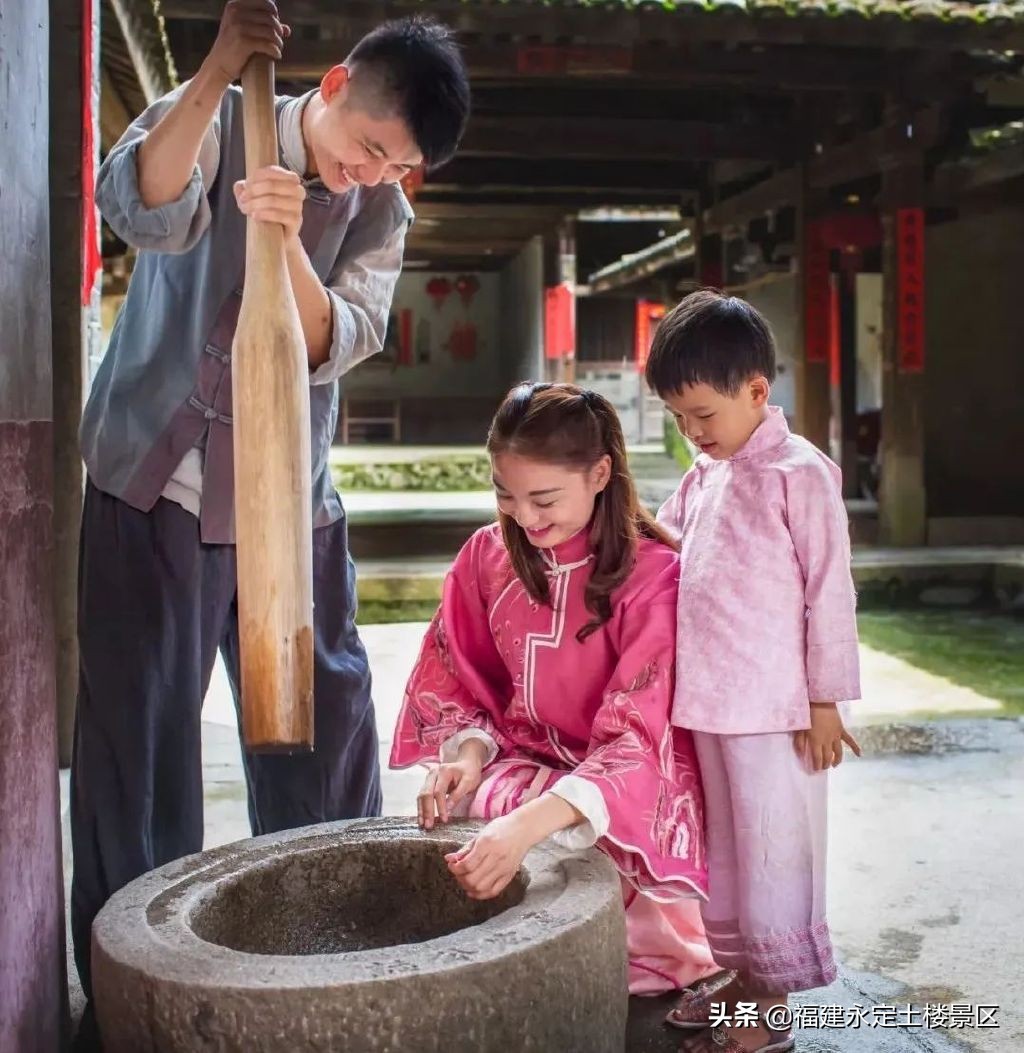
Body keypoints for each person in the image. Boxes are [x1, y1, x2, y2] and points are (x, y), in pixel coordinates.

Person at [70, 0, 470, 1019]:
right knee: (139, 743)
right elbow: (139, 206)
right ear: (333, 87)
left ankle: (324, 960)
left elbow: (338, 339)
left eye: (396, 165)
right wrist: (215, 70)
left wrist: (288, 235)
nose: (374, 174)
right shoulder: (206, 117)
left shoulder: (378, 212)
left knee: (324, 737)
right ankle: (136, 993)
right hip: (150, 489)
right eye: (370, 148)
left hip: (294, 511)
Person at [390, 382, 717, 995]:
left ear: (600, 473)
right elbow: (461, 679)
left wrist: (527, 825)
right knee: (464, 817)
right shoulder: (486, 558)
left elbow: (642, 742)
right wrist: (464, 757)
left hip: (613, 792)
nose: (524, 517)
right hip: (520, 766)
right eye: (505, 495)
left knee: (590, 899)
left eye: (544, 499)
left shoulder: (655, 578)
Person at [646, 290, 862, 1053]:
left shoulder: (799, 473)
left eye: (701, 415)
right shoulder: (705, 474)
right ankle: (738, 977)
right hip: (708, 705)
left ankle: (768, 1013)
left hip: (777, 714)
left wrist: (826, 700)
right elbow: (666, 545)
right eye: (678, 419)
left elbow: (830, 589)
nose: (691, 433)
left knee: (772, 853)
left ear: (756, 392)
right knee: (728, 858)